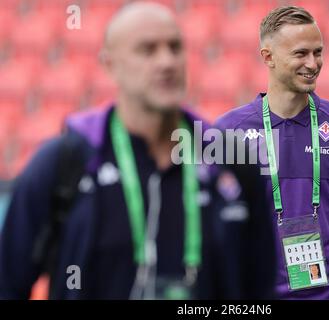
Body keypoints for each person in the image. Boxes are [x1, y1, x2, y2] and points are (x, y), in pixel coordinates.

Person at [0, 2, 276, 299]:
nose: (166, 62)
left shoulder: (232, 162)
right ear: (110, 64)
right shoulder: (64, 164)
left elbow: (260, 294)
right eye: (147, 50)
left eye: (175, 47)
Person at [216, 6, 329, 299]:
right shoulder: (229, 130)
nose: (313, 63)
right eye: (300, 53)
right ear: (268, 57)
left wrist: (326, 262)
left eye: (318, 52)